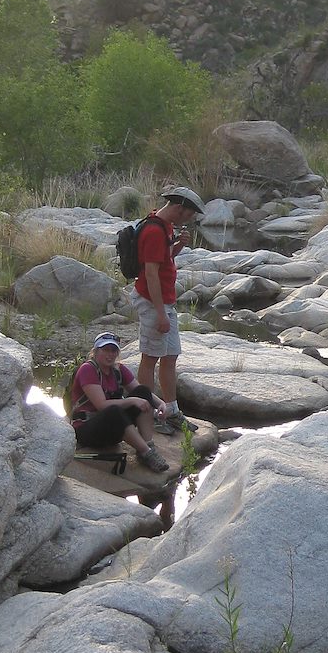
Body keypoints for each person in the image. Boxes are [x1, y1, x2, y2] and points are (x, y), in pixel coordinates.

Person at [135, 184, 204, 434]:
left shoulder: (165, 226)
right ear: (178, 208)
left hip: (165, 301)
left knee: (170, 355)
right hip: (155, 303)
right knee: (150, 357)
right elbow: (151, 274)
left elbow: (166, 260)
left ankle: (171, 410)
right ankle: (149, 412)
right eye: (188, 215)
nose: (189, 221)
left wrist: (179, 246)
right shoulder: (153, 231)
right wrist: (160, 314)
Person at [67, 333, 169, 473]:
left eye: (113, 351)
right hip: (87, 430)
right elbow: (101, 405)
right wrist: (131, 400)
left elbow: (139, 390)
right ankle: (147, 453)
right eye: (105, 350)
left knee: (143, 392)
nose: (110, 355)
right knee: (115, 411)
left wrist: (160, 403)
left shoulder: (118, 369)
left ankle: (147, 445)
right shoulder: (87, 369)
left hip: (112, 426)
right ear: (96, 351)